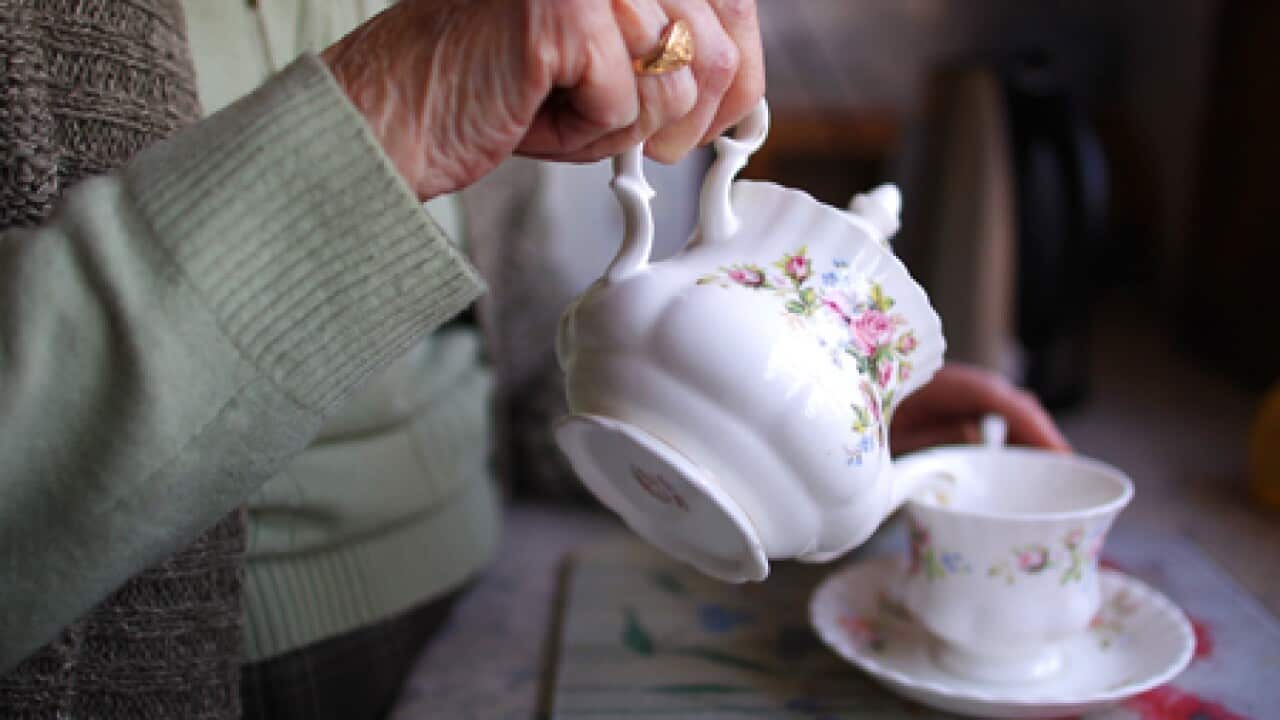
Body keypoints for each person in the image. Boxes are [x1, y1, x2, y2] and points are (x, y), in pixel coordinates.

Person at [0, 0, 1065, 717]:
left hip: (500, 584)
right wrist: (387, 103)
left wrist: (815, 431)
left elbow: (506, 379)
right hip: (208, 674)